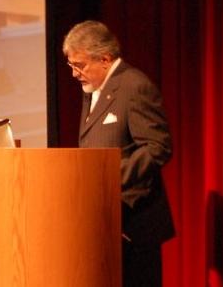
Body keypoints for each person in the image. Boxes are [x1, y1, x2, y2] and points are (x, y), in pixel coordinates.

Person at [63, 20, 174, 287]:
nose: (74, 74)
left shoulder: (134, 86)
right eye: (71, 65)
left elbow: (158, 147)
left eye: (80, 65)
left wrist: (109, 178)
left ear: (105, 58)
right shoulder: (92, 89)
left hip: (133, 224)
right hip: (103, 220)